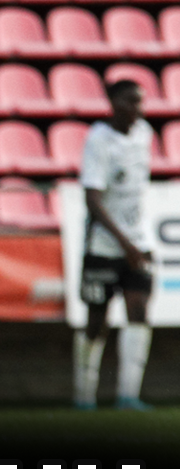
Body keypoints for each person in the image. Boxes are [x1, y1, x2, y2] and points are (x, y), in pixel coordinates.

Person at [73, 79, 155, 412]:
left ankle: (128, 395)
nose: (138, 109)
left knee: (139, 310)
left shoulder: (144, 133)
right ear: (114, 103)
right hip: (104, 245)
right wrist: (124, 243)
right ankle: (84, 396)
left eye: (140, 101)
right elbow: (93, 199)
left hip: (138, 242)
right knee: (97, 319)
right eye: (131, 101)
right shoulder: (98, 140)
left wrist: (138, 240)